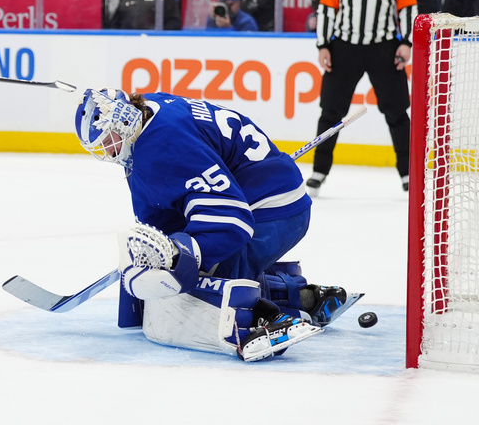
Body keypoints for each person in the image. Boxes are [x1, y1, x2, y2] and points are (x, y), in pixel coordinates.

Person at [73, 88, 354, 362]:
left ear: (123, 120)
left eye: (107, 138)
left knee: (193, 283)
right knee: (182, 271)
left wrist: (182, 255)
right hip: (264, 192)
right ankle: (302, 297)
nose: (107, 151)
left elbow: (232, 221)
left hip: (271, 211)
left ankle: (265, 320)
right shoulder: (149, 111)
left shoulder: (163, 147)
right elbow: (166, 203)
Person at [308, 0, 416, 196]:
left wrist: (406, 42)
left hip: (384, 48)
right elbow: (326, 9)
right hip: (344, 48)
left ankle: (408, 174)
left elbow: (407, 7)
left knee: (396, 112)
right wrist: (323, 45)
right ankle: (319, 171)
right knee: (330, 112)